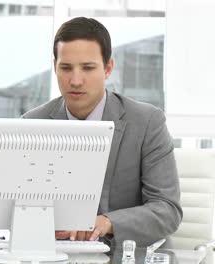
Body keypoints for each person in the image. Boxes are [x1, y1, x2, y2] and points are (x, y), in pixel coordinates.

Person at [22, 17, 183, 247]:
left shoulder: (147, 123)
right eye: (66, 68)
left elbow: (167, 210)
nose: (75, 80)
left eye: (88, 68)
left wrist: (107, 222)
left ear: (108, 68)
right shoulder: (32, 124)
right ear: (55, 67)